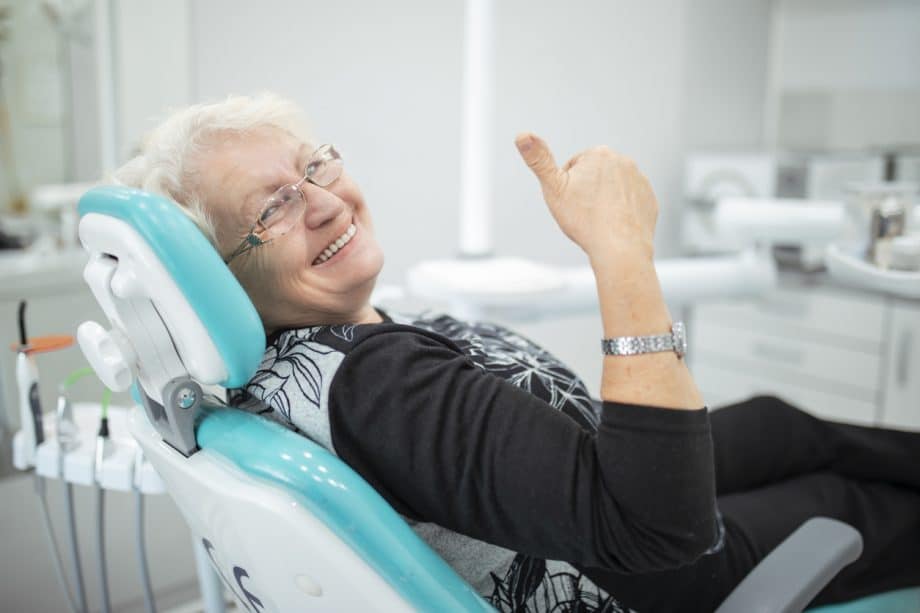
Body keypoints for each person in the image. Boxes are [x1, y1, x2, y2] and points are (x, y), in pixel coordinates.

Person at [114, 93, 920, 612]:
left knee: (780, 423)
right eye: (275, 207)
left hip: (591, 478)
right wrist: (621, 251)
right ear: (216, 278)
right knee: (844, 498)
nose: (326, 203)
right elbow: (661, 529)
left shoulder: (300, 364)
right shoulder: (378, 386)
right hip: (651, 567)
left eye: (312, 168)